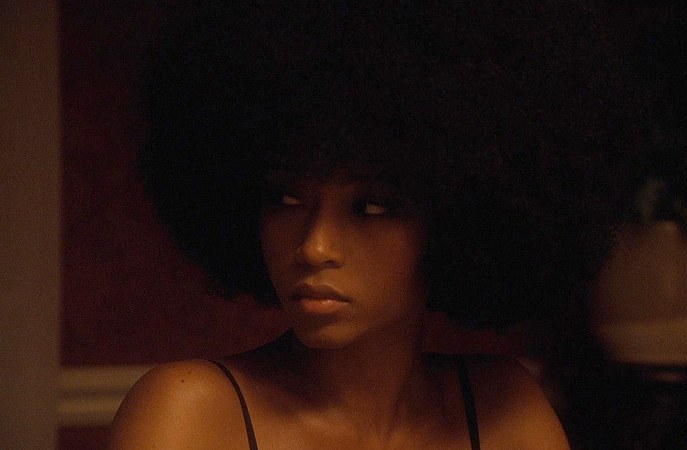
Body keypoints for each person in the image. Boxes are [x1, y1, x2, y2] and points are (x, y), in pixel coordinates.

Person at [110, 1, 638, 448]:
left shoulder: (502, 410)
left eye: (371, 207)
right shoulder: (191, 415)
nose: (314, 247)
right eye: (287, 199)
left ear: (453, 219)